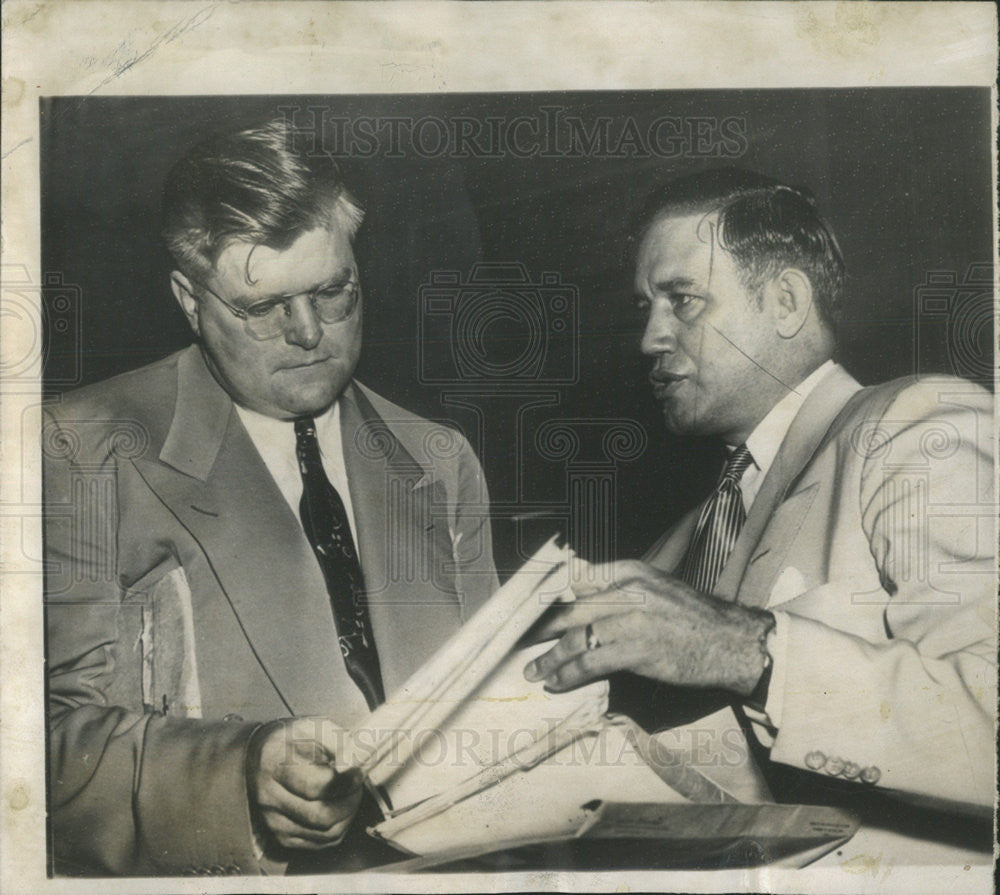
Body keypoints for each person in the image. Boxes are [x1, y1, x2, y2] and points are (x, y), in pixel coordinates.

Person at [44, 118, 497, 876]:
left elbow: (489, 714)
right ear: (189, 299)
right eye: (262, 308)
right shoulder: (75, 448)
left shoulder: (439, 459)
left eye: (333, 291)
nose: (310, 331)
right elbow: (42, 749)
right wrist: (237, 774)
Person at [526, 169, 995, 858]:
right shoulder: (667, 555)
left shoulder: (918, 427)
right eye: (643, 308)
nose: (649, 339)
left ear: (785, 300)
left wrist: (748, 649)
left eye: (682, 300)